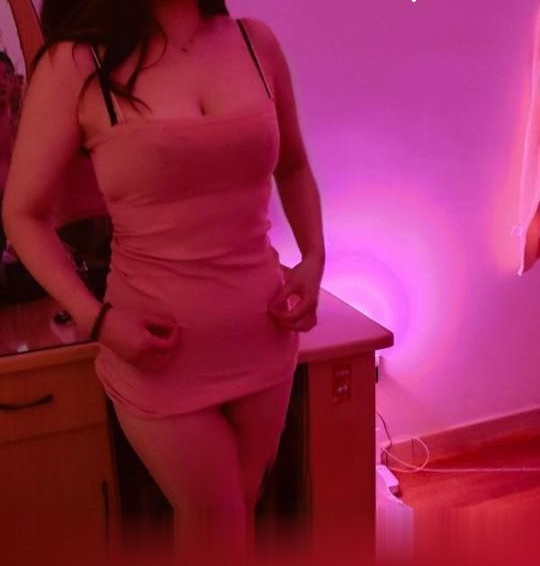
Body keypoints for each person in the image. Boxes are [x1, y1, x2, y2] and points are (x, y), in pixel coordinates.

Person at [2, 0, 325, 563]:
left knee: (239, 509)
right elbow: (22, 214)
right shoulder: (76, 62)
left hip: (264, 331)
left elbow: (293, 165)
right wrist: (95, 318)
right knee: (217, 523)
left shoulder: (256, 42)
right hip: (156, 350)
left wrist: (315, 258)